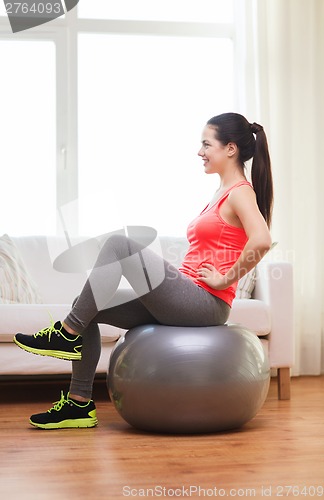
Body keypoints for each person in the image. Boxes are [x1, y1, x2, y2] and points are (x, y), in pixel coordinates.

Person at [13, 112, 273, 429]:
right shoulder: (220, 194)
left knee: (119, 245)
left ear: (230, 148)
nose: (199, 151)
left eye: (206, 144)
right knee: (89, 307)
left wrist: (225, 277)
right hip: (187, 297)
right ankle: (79, 405)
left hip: (205, 303)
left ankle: (65, 334)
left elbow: (261, 240)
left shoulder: (240, 192)